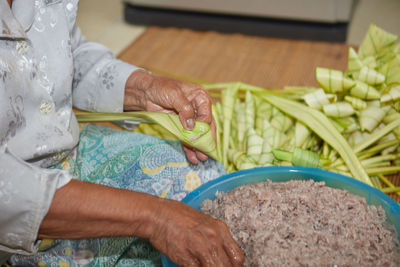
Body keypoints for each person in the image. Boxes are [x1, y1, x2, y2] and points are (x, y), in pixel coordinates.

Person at [0, 0, 244, 266]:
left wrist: (145, 89)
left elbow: (67, 52)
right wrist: (155, 219)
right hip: (14, 211)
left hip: (69, 156)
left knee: (206, 185)